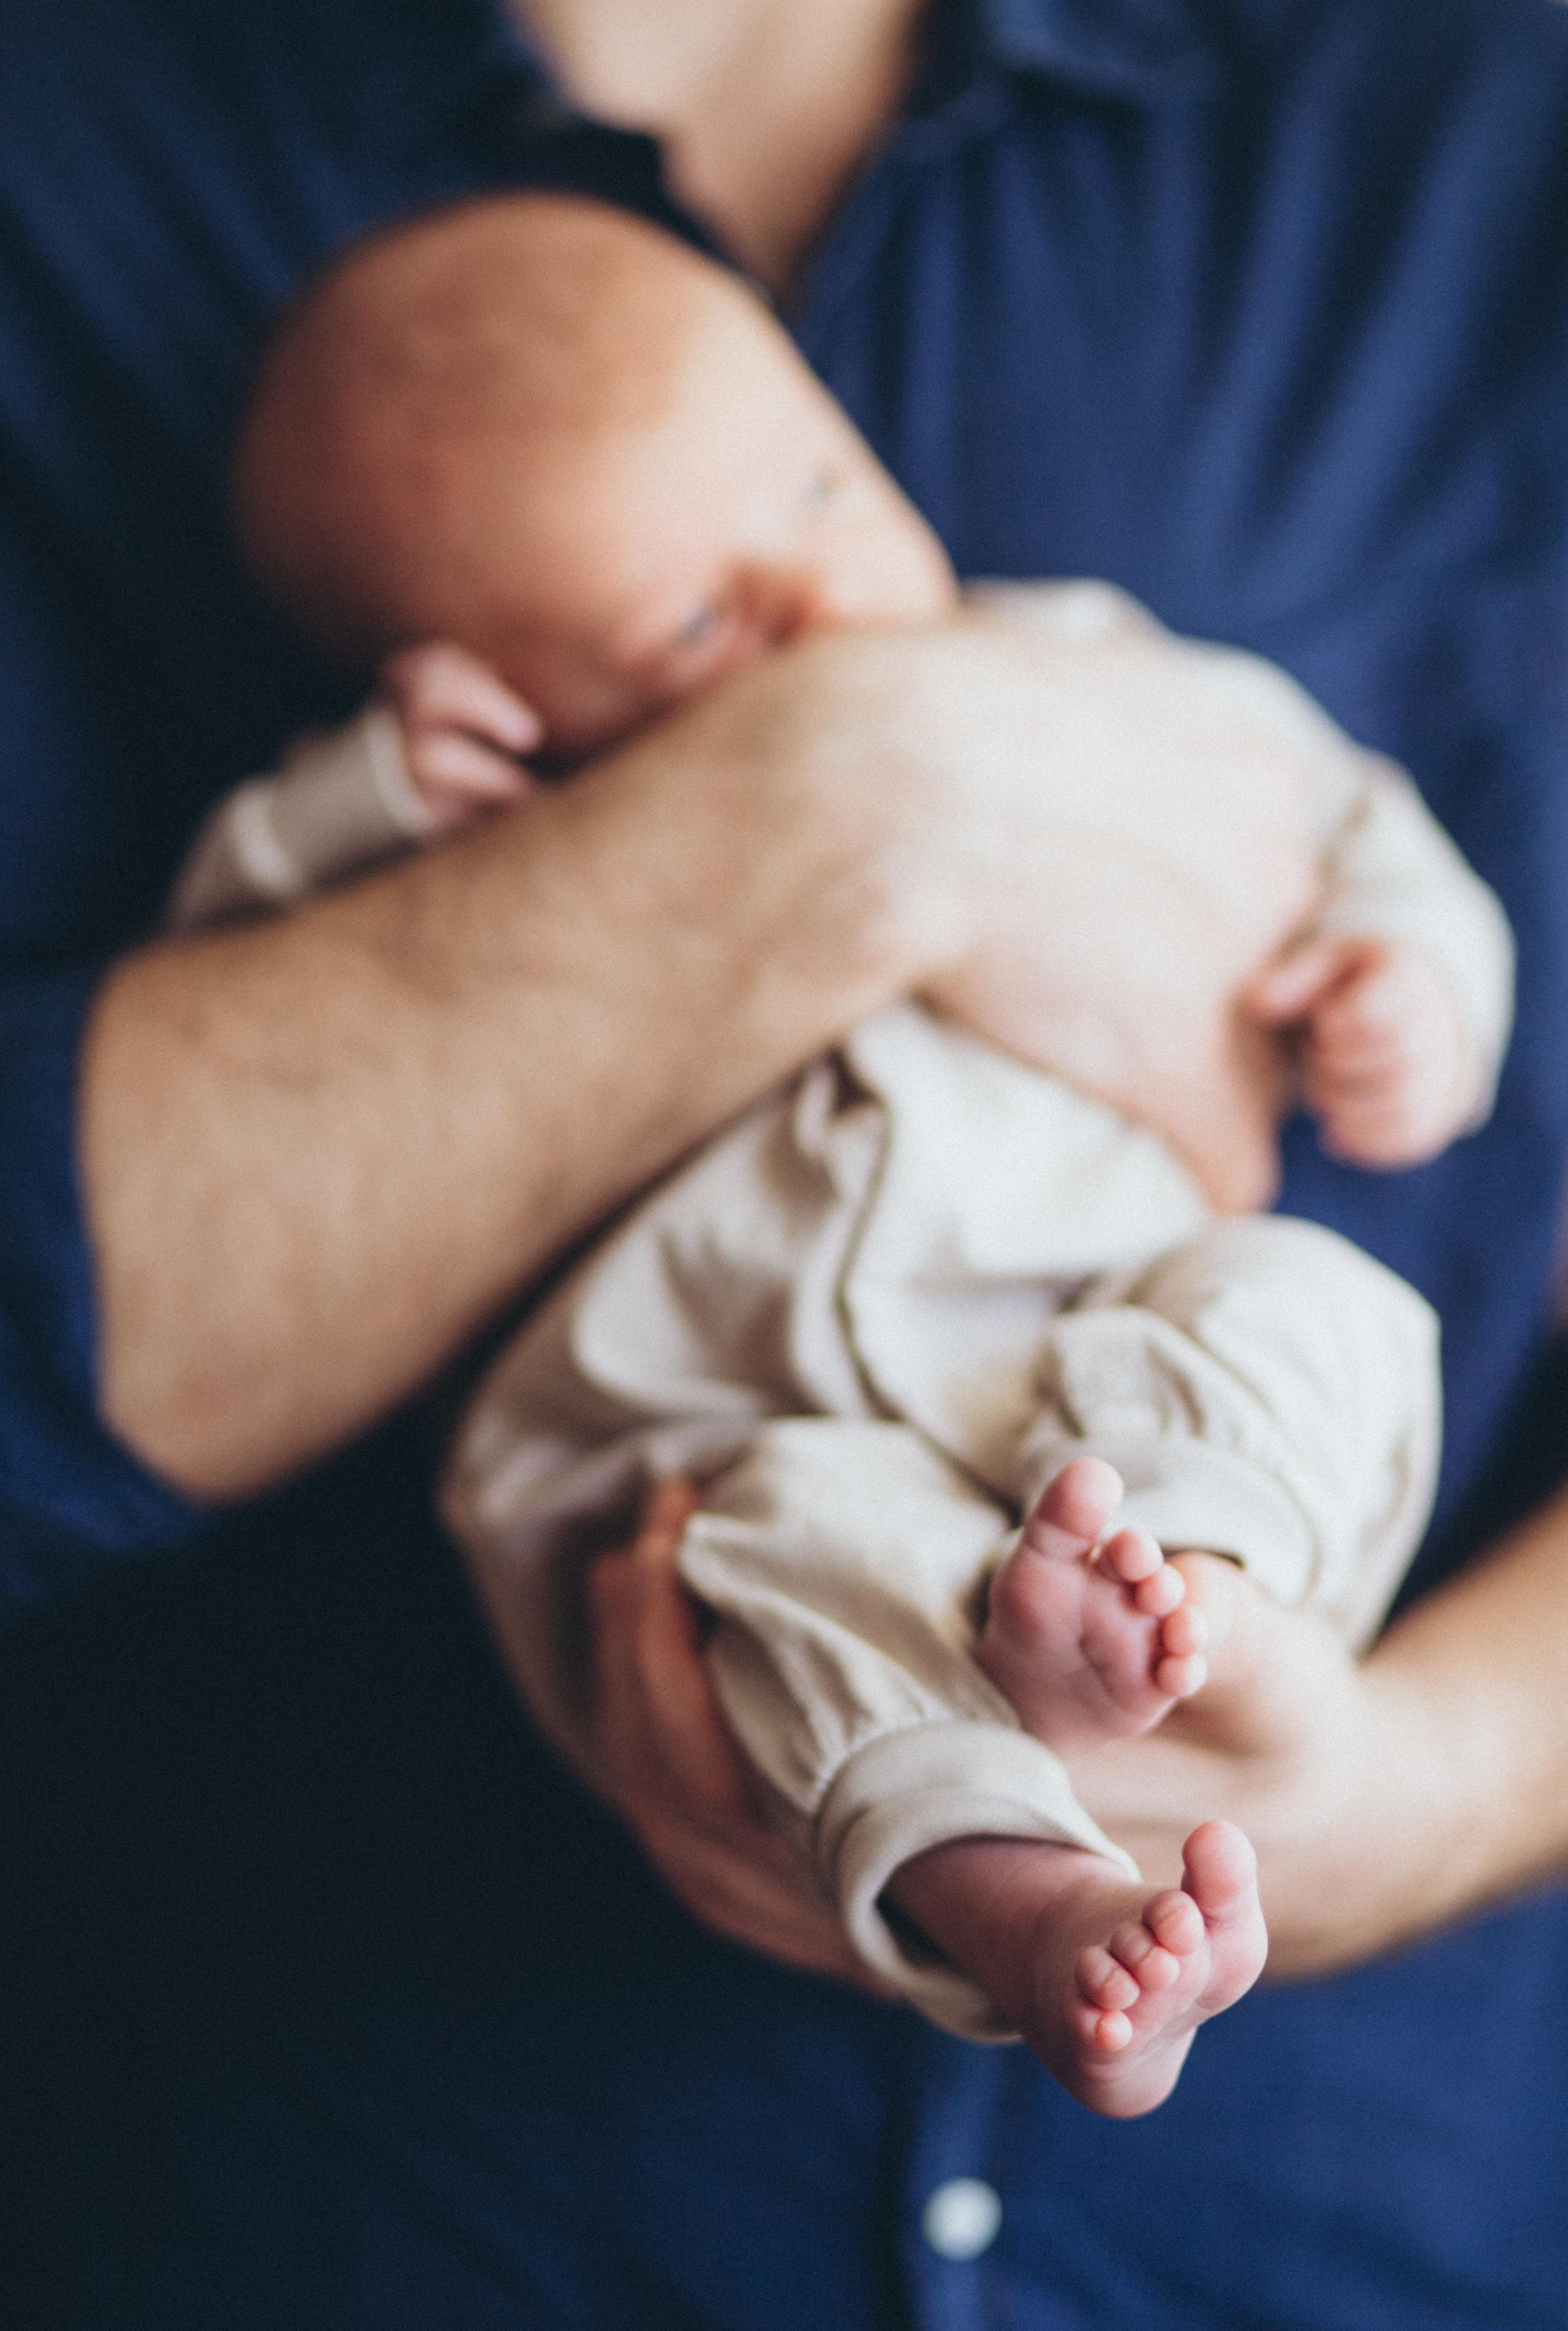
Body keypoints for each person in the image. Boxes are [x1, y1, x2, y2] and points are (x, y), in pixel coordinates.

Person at [4, 0, 1568, 2323]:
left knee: (1309, 1314)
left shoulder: (1136, 575)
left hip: (1100, 1368)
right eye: (694, 626)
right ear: (497, 697)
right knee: (784, 1568)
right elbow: (239, 937)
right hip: (696, 1466)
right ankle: (1022, 1895)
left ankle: (1195, 1587)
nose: (826, 612)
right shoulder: (447, 816)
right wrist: (394, 799)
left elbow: (1353, 817)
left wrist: (1410, 979)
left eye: (824, 498)